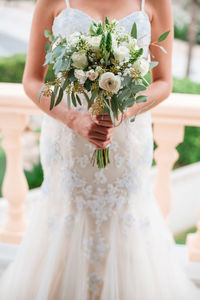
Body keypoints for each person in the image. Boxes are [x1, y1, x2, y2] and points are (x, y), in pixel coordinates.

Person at [0, 0, 200, 299]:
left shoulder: (155, 3)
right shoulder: (53, 2)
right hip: (68, 138)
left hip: (125, 139)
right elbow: (32, 80)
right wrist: (73, 119)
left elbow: (163, 82)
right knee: (67, 211)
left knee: (124, 215)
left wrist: (125, 111)